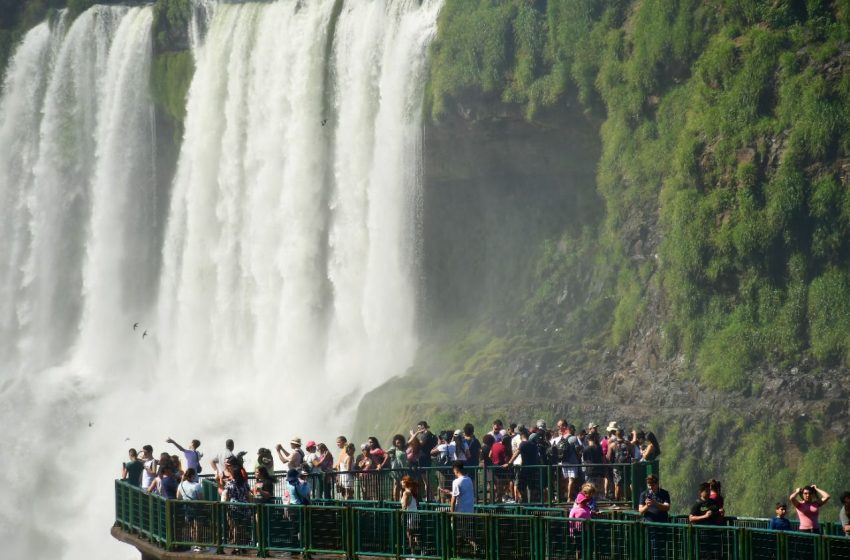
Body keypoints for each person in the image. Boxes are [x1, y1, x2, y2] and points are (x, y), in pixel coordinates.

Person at [176, 468, 204, 552]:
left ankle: (194, 543)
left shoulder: (181, 485)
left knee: (191, 526)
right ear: (193, 475)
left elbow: (178, 497)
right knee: (197, 526)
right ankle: (198, 544)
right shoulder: (197, 485)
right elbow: (201, 499)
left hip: (186, 507)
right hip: (196, 508)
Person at [401, 475, 420, 557]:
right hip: (415, 516)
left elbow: (404, 506)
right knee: (414, 535)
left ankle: (413, 555)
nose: (401, 482)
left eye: (402, 480)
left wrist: (401, 516)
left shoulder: (406, 493)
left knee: (409, 535)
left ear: (405, 482)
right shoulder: (413, 492)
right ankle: (419, 552)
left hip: (410, 517)